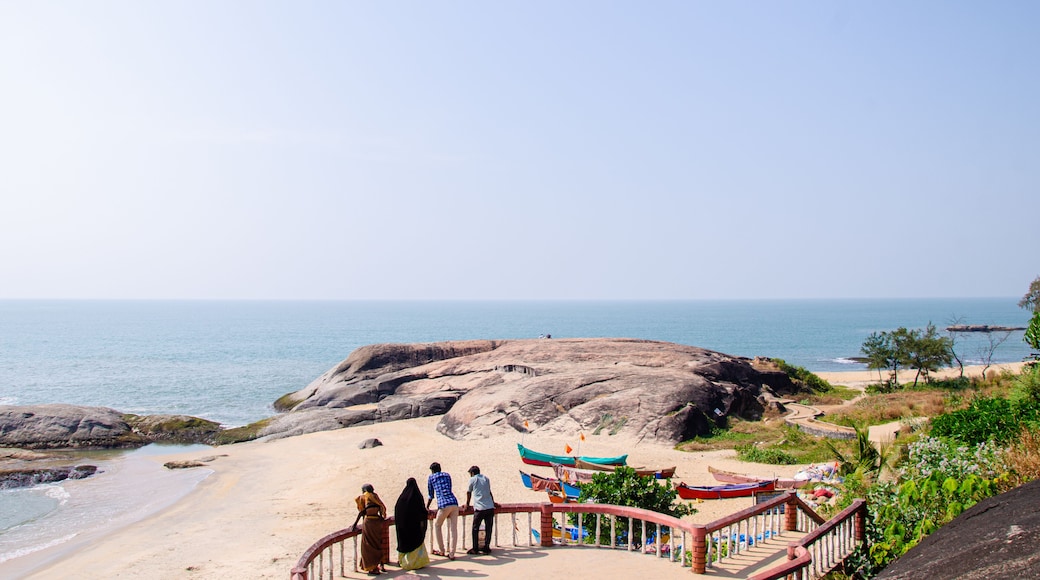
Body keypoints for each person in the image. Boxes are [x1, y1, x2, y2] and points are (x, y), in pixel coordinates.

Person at [425, 462, 459, 560]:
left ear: (432, 471)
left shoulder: (431, 478)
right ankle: (452, 553)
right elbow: (449, 488)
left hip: (443, 504)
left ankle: (442, 550)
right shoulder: (447, 475)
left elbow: (431, 495)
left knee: (437, 525)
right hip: (454, 502)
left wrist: (427, 506)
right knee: (454, 529)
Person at [352, 483, 387, 575]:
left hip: (369, 523)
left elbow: (361, 512)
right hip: (377, 522)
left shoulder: (363, 497)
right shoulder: (375, 497)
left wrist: (354, 524)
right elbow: (382, 509)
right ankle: (382, 565)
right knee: (378, 543)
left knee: (367, 546)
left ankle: (372, 568)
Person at [394, 478, 430, 570]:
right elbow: (422, 510)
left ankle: (403, 562)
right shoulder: (417, 496)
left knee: (404, 542)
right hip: (415, 527)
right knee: (415, 542)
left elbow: (398, 511)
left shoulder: (402, 498)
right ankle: (416, 563)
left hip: (403, 527)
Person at [464, 465, 498, 555]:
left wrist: (467, 504)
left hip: (479, 508)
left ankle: (475, 548)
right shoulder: (486, 478)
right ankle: (486, 547)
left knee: (475, 528)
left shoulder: (472, 479)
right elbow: (489, 492)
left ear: (472, 473)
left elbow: (469, 492)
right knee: (489, 528)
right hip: (489, 507)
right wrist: (493, 502)